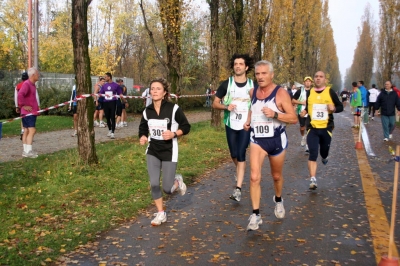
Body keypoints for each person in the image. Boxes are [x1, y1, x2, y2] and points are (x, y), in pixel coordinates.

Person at [243, 60, 297, 231]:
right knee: (254, 177)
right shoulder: (252, 92)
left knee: (276, 176)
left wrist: (275, 114)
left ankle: (279, 199)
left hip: (275, 138)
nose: (260, 77)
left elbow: (293, 118)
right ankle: (256, 215)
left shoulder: (280, 94)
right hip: (257, 139)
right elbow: (253, 108)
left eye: (264, 73)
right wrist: (248, 121)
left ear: (272, 75)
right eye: (257, 74)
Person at [138, 77, 191, 226]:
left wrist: (174, 134)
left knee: (167, 189)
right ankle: (161, 213)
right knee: (154, 184)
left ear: (165, 92)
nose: (154, 91)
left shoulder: (173, 109)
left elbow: (186, 126)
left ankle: (177, 181)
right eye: (152, 88)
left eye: (158, 88)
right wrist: (142, 136)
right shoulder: (147, 111)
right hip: (153, 150)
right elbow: (142, 127)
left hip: (169, 150)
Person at [213, 53, 254, 203]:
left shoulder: (251, 85)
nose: (237, 66)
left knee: (241, 152)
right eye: (235, 64)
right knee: (234, 154)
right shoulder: (226, 84)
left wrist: (249, 120)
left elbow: (255, 105)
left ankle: (238, 189)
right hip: (230, 123)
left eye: (241, 64)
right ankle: (240, 170)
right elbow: (215, 103)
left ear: (246, 67)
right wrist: (226, 106)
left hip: (245, 125)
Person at [300, 71, 343, 190]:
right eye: (316, 76)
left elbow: (340, 107)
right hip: (312, 128)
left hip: (326, 128)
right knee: (313, 153)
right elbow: (309, 107)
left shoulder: (330, 92)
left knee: (324, 152)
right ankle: (313, 179)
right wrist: (305, 111)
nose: (318, 78)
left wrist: (333, 108)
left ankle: (325, 157)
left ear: (325, 80)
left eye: (321, 77)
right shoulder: (310, 92)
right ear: (314, 79)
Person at [18, 67, 41, 158]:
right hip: (28, 113)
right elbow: (20, 95)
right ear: (33, 75)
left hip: (30, 112)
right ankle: (28, 151)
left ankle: (25, 151)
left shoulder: (32, 85)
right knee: (32, 130)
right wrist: (23, 105)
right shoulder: (27, 84)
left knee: (26, 131)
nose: (39, 76)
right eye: (37, 74)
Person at [99, 72, 126, 139]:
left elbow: (120, 93)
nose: (105, 78)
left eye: (106, 77)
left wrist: (123, 98)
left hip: (113, 102)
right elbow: (101, 93)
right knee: (107, 117)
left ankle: (113, 132)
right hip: (106, 102)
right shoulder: (104, 86)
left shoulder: (116, 85)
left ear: (109, 77)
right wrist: (98, 95)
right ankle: (110, 129)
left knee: (112, 117)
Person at [292, 76, 313, 148]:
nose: (308, 82)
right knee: (302, 127)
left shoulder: (313, 91)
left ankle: (307, 144)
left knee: (309, 128)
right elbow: (293, 100)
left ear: (311, 83)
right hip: (301, 112)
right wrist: (301, 102)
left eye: (309, 81)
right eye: (306, 81)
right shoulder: (300, 91)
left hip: (310, 112)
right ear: (304, 83)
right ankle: (303, 136)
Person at [14, 72, 29, 140]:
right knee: (30, 119)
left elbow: (16, 97)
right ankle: (27, 133)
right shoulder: (30, 85)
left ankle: (23, 131)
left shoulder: (18, 86)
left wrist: (17, 106)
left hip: (21, 105)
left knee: (23, 118)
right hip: (30, 105)